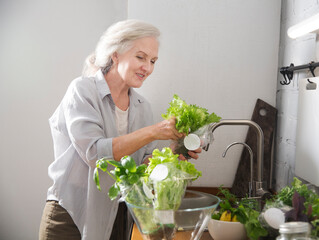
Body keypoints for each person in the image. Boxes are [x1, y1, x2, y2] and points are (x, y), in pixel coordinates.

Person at [39, 19, 201, 240]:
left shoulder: (143, 108)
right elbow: (96, 155)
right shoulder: (82, 90)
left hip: (115, 216)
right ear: (115, 54)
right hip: (71, 216)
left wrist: (172, 153)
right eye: (140, 57)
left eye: (153, 60)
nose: (148, 67)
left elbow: (141, 171)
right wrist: (154, 131)